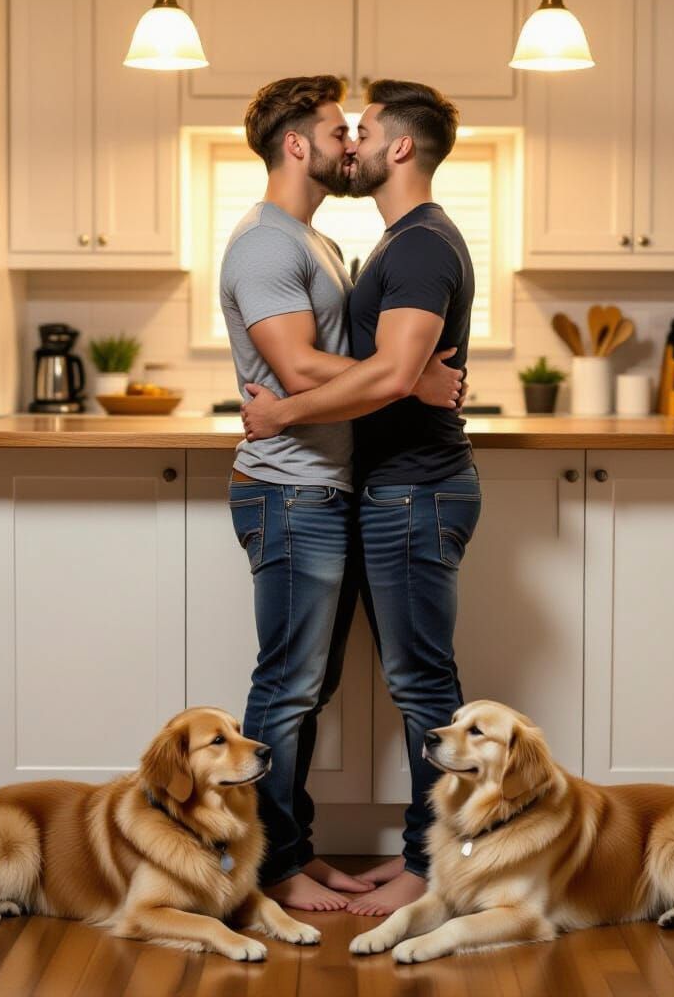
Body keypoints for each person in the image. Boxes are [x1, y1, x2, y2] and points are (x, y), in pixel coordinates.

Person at [221, 74, 464, 912]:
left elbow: (353, 366)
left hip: (329, 488)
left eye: (358, 130)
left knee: (308, 688)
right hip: (291, 490)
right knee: (288, 688)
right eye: (335, 130)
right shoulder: (265, 244)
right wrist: (408, 379)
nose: (348, 142)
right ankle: (273, 866)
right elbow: (291, 366)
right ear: (298, 145)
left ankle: (295, 852)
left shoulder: (319, 239)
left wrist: (406, 376)